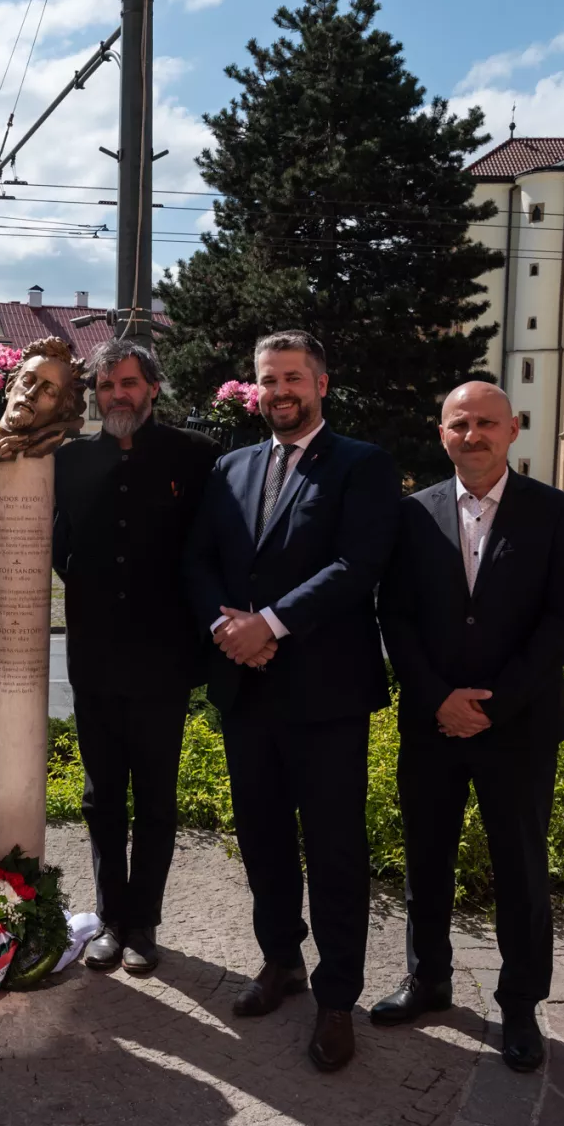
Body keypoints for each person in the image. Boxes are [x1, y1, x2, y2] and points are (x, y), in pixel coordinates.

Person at [183, 330, 399, 1073]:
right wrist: (223, 623)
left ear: (321, 384)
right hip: (248, 691)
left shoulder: (363, 466)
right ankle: (281, 960)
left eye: (293, 378)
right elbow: (200, 557)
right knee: (263, 838)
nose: (280, 390)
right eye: (268, 379)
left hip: (327, 694)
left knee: (335, 849)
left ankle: (338, 997)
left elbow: (358, 563)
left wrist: (269, 624)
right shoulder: (231, 467)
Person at [374, 381, 564, 1074]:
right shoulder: (411, 516)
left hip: (519, 726)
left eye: (487, 422)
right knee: (425, 861)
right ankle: (427, 979)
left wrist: (492, 705)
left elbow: (563, 620)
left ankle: (520, 1005)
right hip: (431, 723)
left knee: (521, 869)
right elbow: (395, 617)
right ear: (442, 434)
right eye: (460, 424)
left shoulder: (554, 513)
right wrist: (438, 698)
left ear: (514, 428)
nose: (474, 434)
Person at [53, 338, 220, 975]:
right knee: (101, 796)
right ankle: (109, 917)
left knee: (154, 796)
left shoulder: (196, 457)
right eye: (104, 386)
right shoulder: (69, 461)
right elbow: (58, 547)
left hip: (164, 656)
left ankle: (144, 923)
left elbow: (209, 546)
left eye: (127, 383)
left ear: (152, 387)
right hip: (94, 652)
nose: (116, 396)